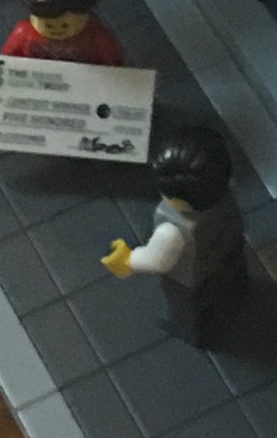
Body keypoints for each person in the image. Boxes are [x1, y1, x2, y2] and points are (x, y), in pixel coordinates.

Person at [104, 125, 246, 343]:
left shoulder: (171, 231)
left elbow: (156, 261)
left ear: (176, 197)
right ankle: (238, 292)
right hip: (227, 251)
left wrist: (128, 259)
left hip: (190, 279)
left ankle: (189, 331)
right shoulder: (222, 193)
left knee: (186, 308)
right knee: (229, 281)